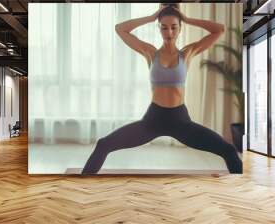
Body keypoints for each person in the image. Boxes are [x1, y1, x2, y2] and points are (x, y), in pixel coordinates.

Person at [82, 4, 242, 174]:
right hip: (153, 120)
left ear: (180, 29)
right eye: (164, 28)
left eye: (174, 27)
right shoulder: (150, 53)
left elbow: (219, 30)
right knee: (103, 144)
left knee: (229, 151)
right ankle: (81, 188)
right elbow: (120, 29)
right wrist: (151, 17)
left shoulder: (187, 53)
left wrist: (187, 19)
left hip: (180, 121)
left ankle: (242, 193)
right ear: (159, 29)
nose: (169, 33)